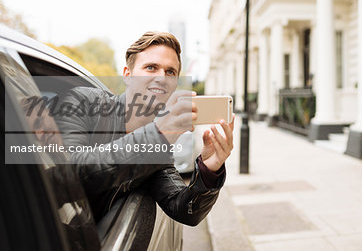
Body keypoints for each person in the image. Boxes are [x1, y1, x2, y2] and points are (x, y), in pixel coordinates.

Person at [54, 31, 234, 225]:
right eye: (151, 67)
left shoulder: (158, 150)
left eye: (170, 72)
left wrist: (209, 169)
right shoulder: (83, 102)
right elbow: (69, 175)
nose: (162, 78)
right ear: (127, 75)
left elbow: (184, 210)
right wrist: (158, 136)